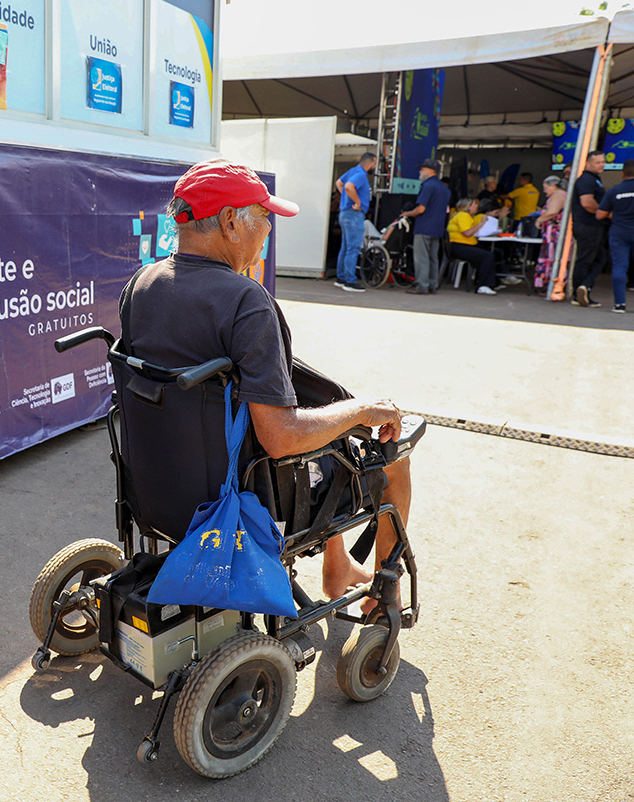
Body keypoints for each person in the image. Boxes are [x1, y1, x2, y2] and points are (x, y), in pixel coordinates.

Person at [121, 159, 412, 611]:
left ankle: (337, 567)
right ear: (230, 222)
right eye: (263, 216)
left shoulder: (143, 284)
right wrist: (361, 410)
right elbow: (281, 438)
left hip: (157, 490)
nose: (269, 229)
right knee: (390, 455)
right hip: (237, 502)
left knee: (327, 433)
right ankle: (384, 596)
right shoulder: (246, 302)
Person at [399, 158, 451, 294]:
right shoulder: (445, 189)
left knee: (421, 257)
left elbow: (421, 209)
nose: (420, 172)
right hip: (438, 227)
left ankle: (422, 285)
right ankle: (433, 285)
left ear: (430, 171)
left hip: (424, 226)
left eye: (422, 169)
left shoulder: (427, 186)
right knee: (433, 257)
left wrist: (408, 213)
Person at [596, 158, 634, 313]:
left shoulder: (614, 190)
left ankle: (620, 304)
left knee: (619, 267)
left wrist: (614, 213)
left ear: (623, 174)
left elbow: (600, 215)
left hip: (619, 232)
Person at [334, 153, 376, 293]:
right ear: (371, 163)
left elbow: (339, 183)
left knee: (346, 247)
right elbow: (348, 186)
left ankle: (341, 278)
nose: (375, 167)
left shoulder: (352, 171)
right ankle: (349, 281)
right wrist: (357, 202)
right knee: (353, 248)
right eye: (375, 164)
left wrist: (346, 198)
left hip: (345, 213)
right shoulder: (361, 174)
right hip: (354, 214)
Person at [570, 150, 608, 308]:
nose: (602, 165)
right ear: (588, 163)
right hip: (587, 225)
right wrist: (604, 213)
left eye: (603, 162)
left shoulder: (595, 179)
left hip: (593, 225)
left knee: (599, 258)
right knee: (586, 260)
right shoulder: (586, 179)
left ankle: (584, 286)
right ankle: (579, 291)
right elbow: (587, 202)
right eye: (598, 162)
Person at [447, 197, 505, 295]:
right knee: (487, 256)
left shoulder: (467, 216)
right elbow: (467, 233)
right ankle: (483, 285)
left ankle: (491, 282)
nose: (477, 206)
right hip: (459, 246)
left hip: (462, 245)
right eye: (475, 204)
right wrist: (482, 223)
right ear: (468, 206)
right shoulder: (463, 216)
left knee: (491, 252)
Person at [534, 175, 567, 289]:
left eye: (545, 188)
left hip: (554, 233)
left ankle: (551, 285)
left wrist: (539, 220)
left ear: (553, 186)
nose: (544, 191)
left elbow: (552, 212)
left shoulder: (558, 195)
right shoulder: (561, 195)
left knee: (552, 258)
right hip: (555, 232)